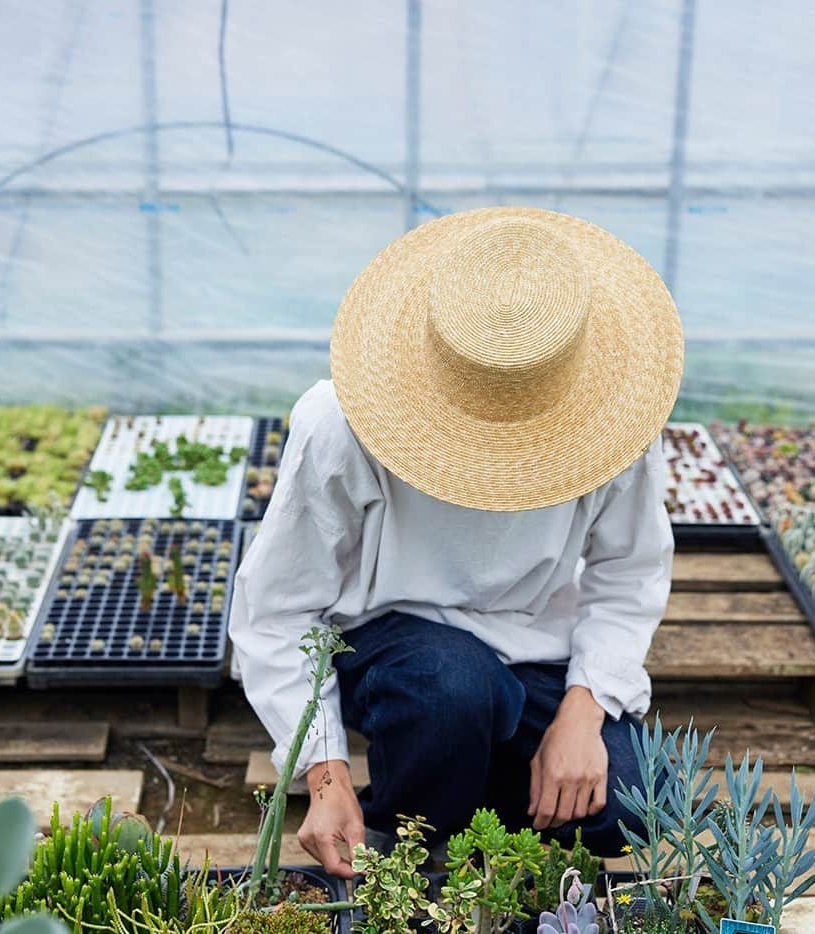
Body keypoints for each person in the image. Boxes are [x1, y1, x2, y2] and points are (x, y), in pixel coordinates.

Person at [229, 206, 684, 880]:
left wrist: (583, 714)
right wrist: (325, 775)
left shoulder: (616, 421)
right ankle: (414, 830)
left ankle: (455, 787)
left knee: (637, 804)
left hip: (533, 645)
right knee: (451, 689)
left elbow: (629, 570)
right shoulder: (342, 426)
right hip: (397, 643)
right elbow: (277, 608)